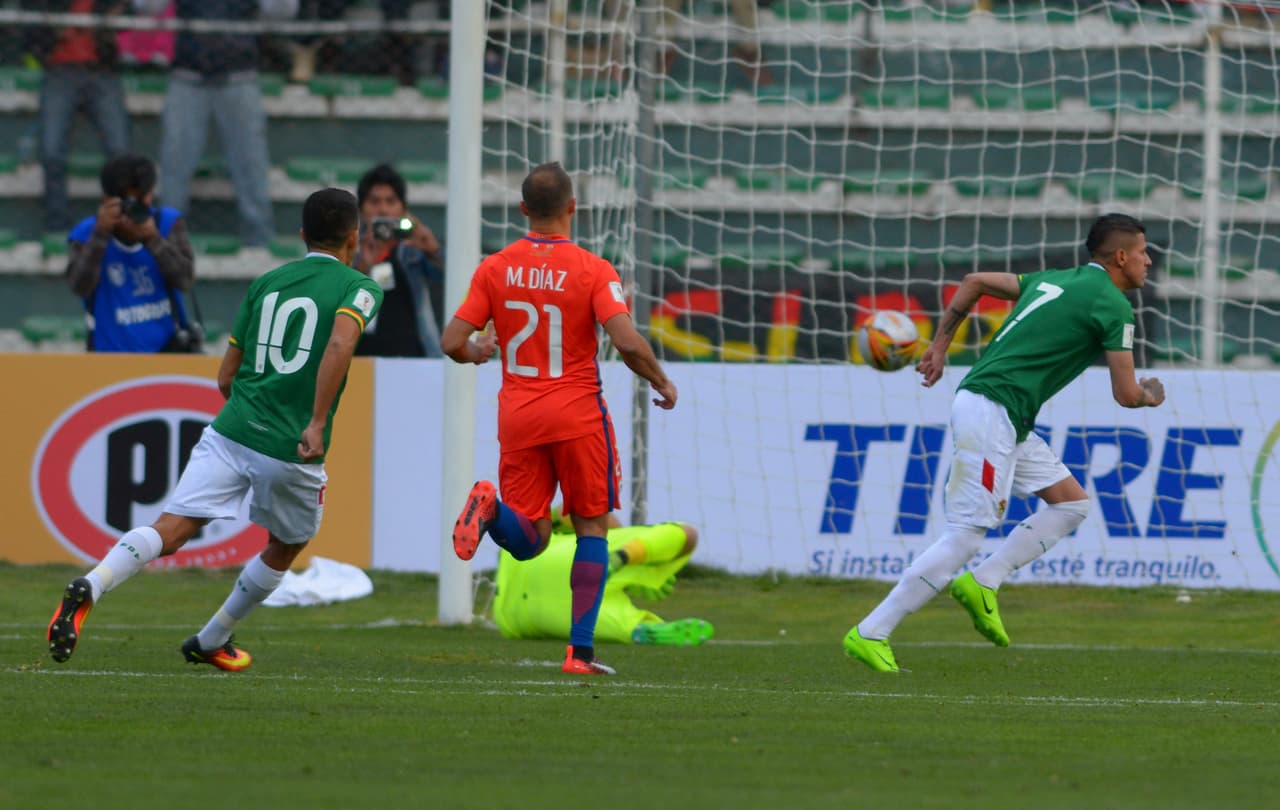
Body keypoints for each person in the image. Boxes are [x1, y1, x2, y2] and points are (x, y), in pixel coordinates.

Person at [47, 187, 383, 672]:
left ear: (302, 235)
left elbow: (225, 376)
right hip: (291, 446)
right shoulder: (360, 287)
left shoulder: (266, 283)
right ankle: (213, 637)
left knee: (172, 527)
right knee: (286, 544)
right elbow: (340, 345)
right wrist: (312, 421)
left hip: (231, 429)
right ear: (355, 236)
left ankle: (93, 583)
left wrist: (247, 415)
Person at [843, 213, 1167, 673]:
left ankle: (985, 581)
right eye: (1141, 252)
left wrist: (939, 345)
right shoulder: (1113, 306)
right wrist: (1151, 396)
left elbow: (974, 281)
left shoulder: (1053, 280)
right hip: (992, 411)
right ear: (1120, 256)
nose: (1148, 261)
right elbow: (1126, 394)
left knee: (1072, 505)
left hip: (1002, 414)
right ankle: (872, 631)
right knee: (964, 537)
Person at [441, 161, 678, 677]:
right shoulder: (594, 269)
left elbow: (451, 341)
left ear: (524, 209)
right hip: (576, 415)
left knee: (530, 538)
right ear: (573, 208)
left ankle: (489, 509)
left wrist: (479, 352)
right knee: (592, 526)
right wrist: (660, 380)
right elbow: (627, 341)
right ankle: (580, 653)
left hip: (519, 415)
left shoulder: (495, 267)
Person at [133, 0, 299, 247]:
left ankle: (259, 243)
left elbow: (283, 11)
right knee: (175, 166)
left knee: (250, 166)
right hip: (187, 75)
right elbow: (147, 6)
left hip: (239, 76)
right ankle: (166, 242)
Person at [494, 510, 714, 646]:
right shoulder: (522, 543)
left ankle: (623, 557)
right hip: (546, 615)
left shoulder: (516, 551)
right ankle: (640, 630)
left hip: (516, 619)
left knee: (685, 535)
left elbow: (570, 514)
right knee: (612, 622)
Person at [67, 153, 197, 353]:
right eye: (127, 201)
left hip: (166, 350)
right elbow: (79, 286)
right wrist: (100, 235)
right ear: (106, 199)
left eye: (141, 199)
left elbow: (185, 280)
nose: (133, 208)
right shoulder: (87, 232)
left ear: (150, 195)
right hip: (109, 352)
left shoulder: (167, 223)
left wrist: (152, 240)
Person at [22, 0, 131, 233]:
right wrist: (52, 33)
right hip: (59, 71)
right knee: (51, 151)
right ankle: (57, 225)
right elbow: (32, 28)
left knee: (120, 151)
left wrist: (108, 27)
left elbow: (128, 16)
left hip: (102, 71)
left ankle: (120, 224)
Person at [352, 163, 445, 358]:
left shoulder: (415, 250)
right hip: (359, 359)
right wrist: (363, 268)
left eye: (390, 201)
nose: (383, 209)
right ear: (361, 208)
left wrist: (434, 251)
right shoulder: (349, 249)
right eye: (374, 201)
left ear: (403, 208)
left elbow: (450, 281)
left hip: (412, 360)